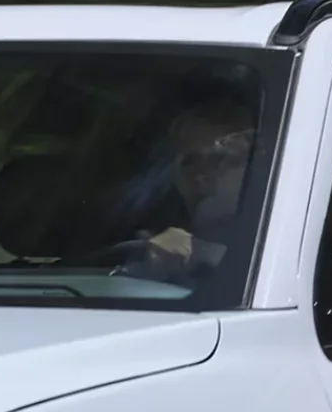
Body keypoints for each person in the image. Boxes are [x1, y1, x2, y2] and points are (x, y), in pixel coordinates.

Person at [102, 95, 260, 288]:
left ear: (253, 169)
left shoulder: (287, 242)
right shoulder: (152, 248)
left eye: (219, 160)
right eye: (189, 162)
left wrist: (204, 255)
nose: (200, 175)